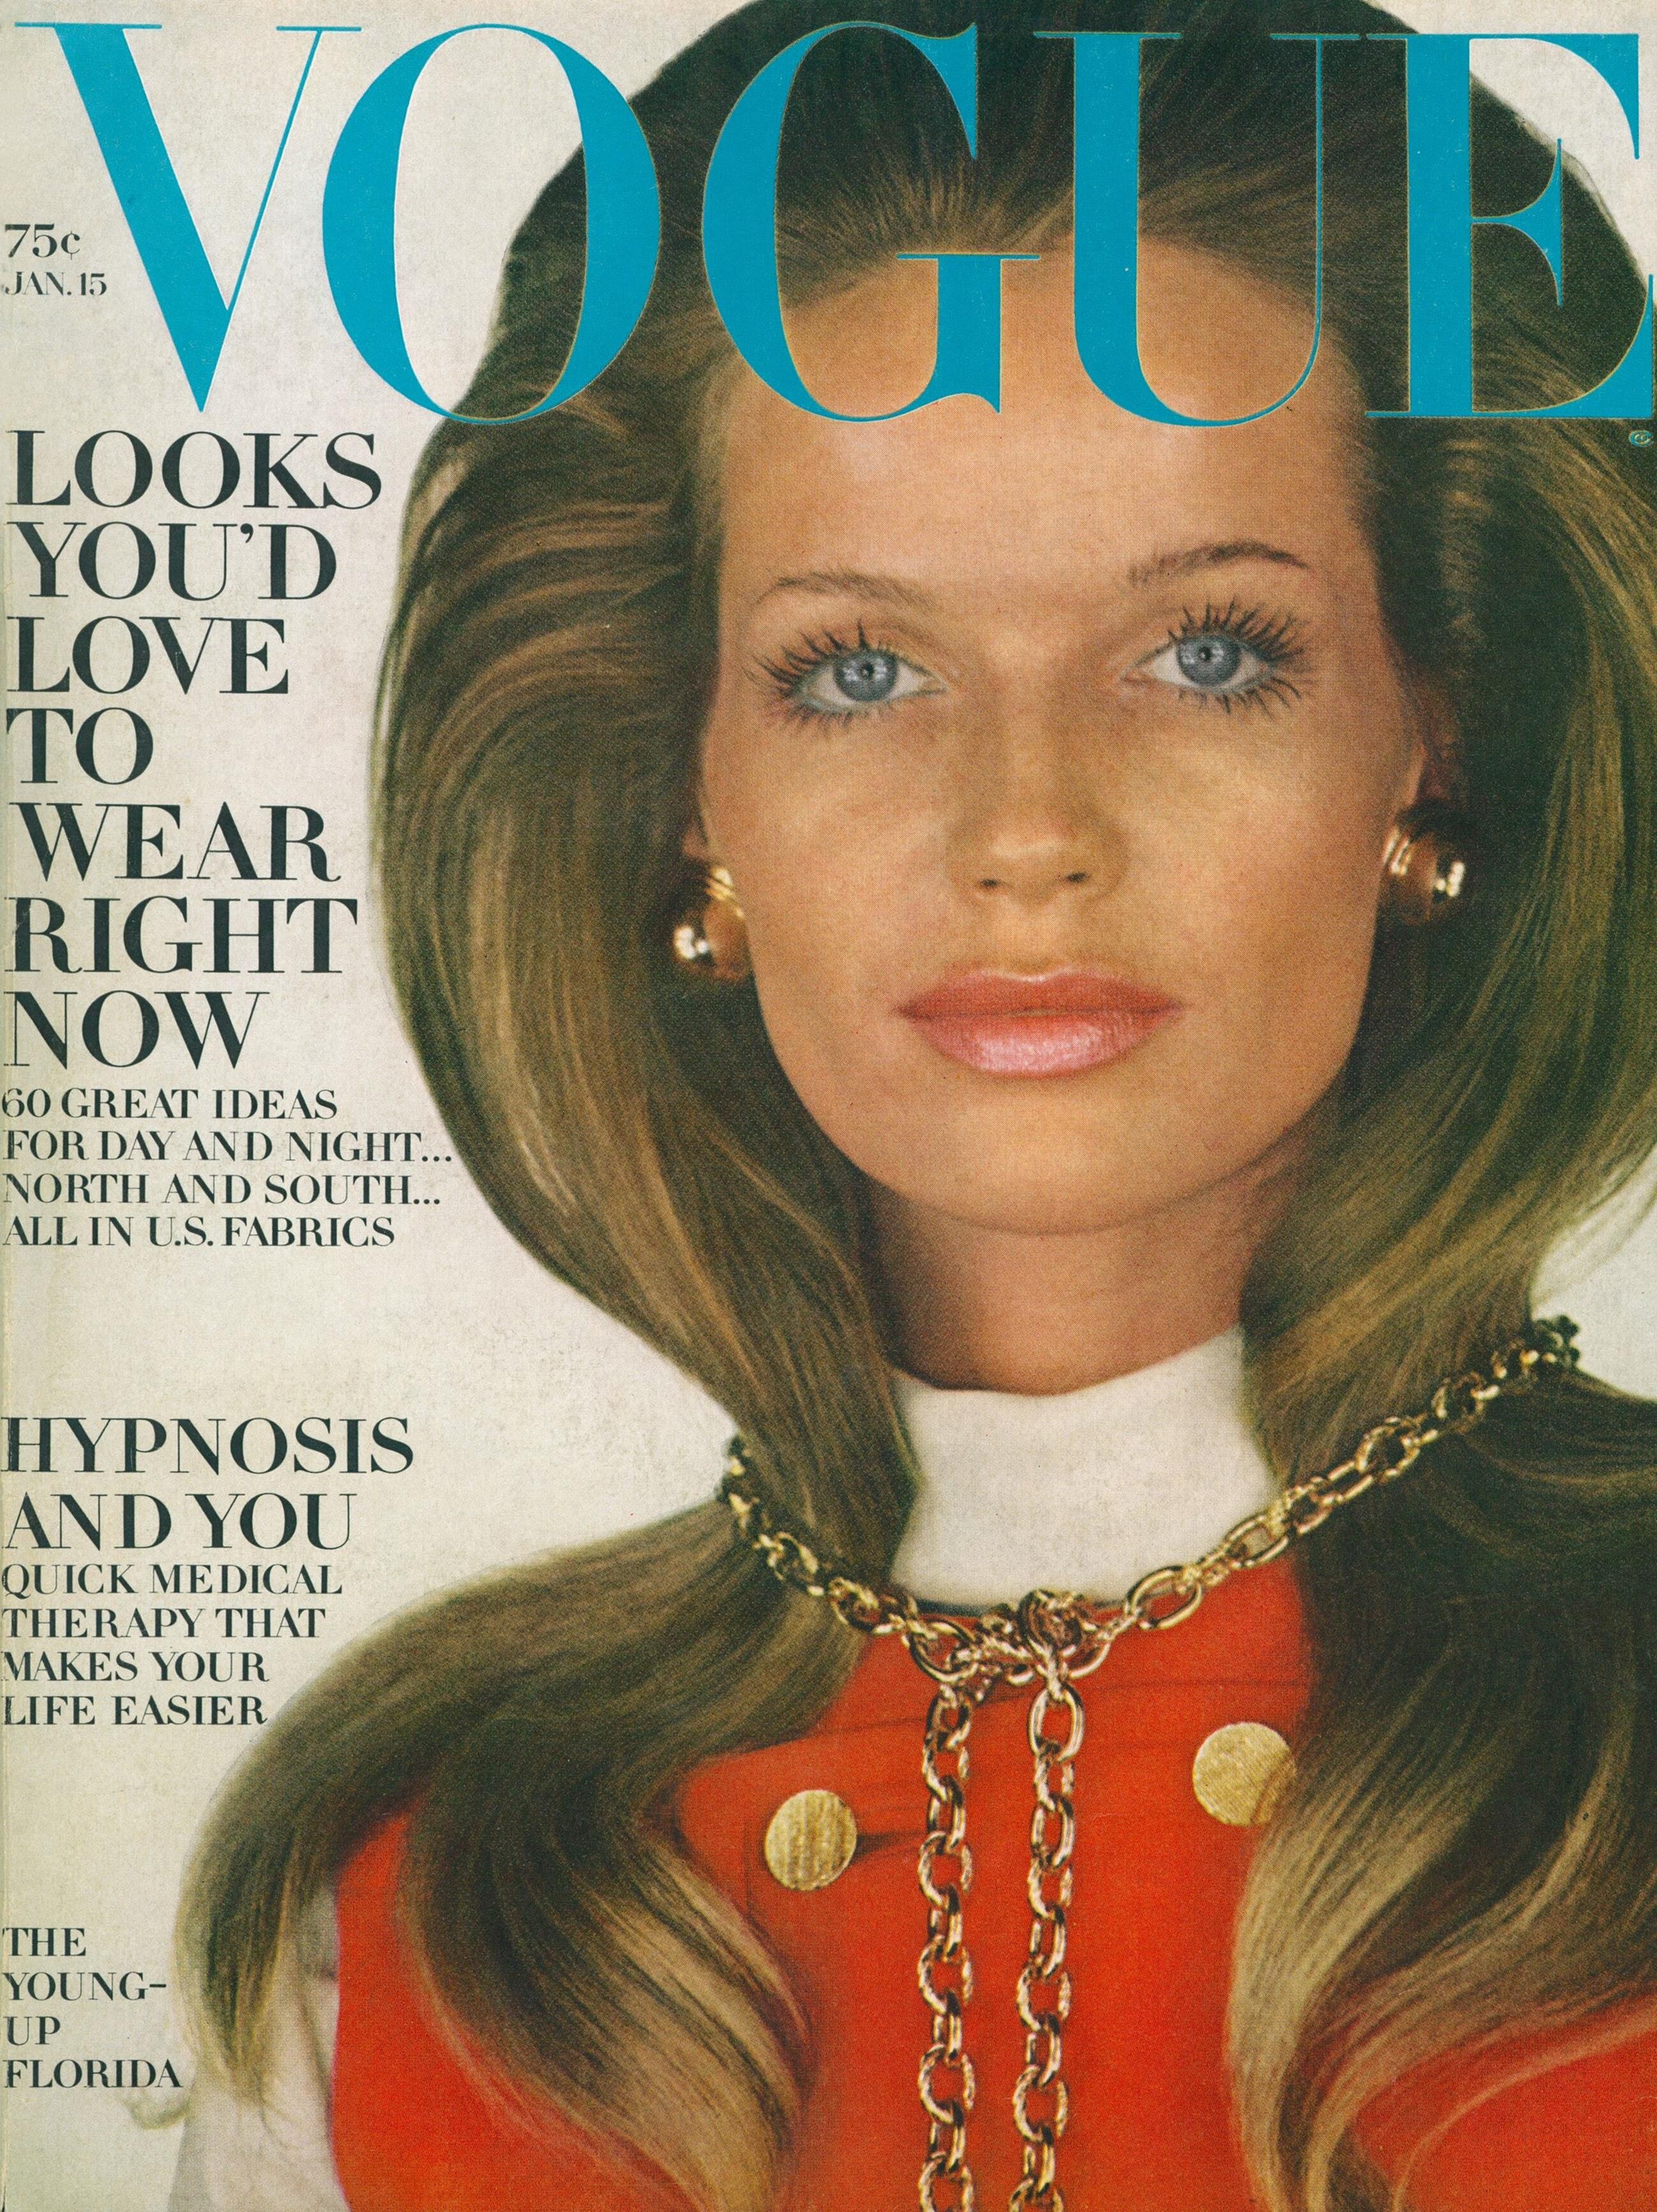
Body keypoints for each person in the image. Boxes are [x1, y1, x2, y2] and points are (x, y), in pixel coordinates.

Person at [168, 3, 1657, 2208]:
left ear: (1428, 749)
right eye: (858, 671)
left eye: (1208, 653)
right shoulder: (429, 1894)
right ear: (688, 796)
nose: (1025, 829)